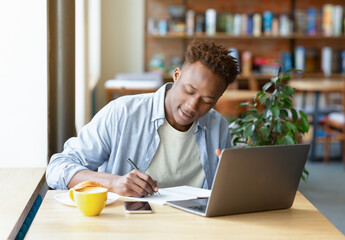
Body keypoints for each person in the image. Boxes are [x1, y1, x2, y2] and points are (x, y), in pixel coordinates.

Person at [46, 40, 239, 197]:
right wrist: (113, 183)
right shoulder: (123, 113)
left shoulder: (217, 126)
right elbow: (57, 168)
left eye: (206, 100)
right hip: (130, 228)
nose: (192, 106)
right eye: (189, 91)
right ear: (177, 75)